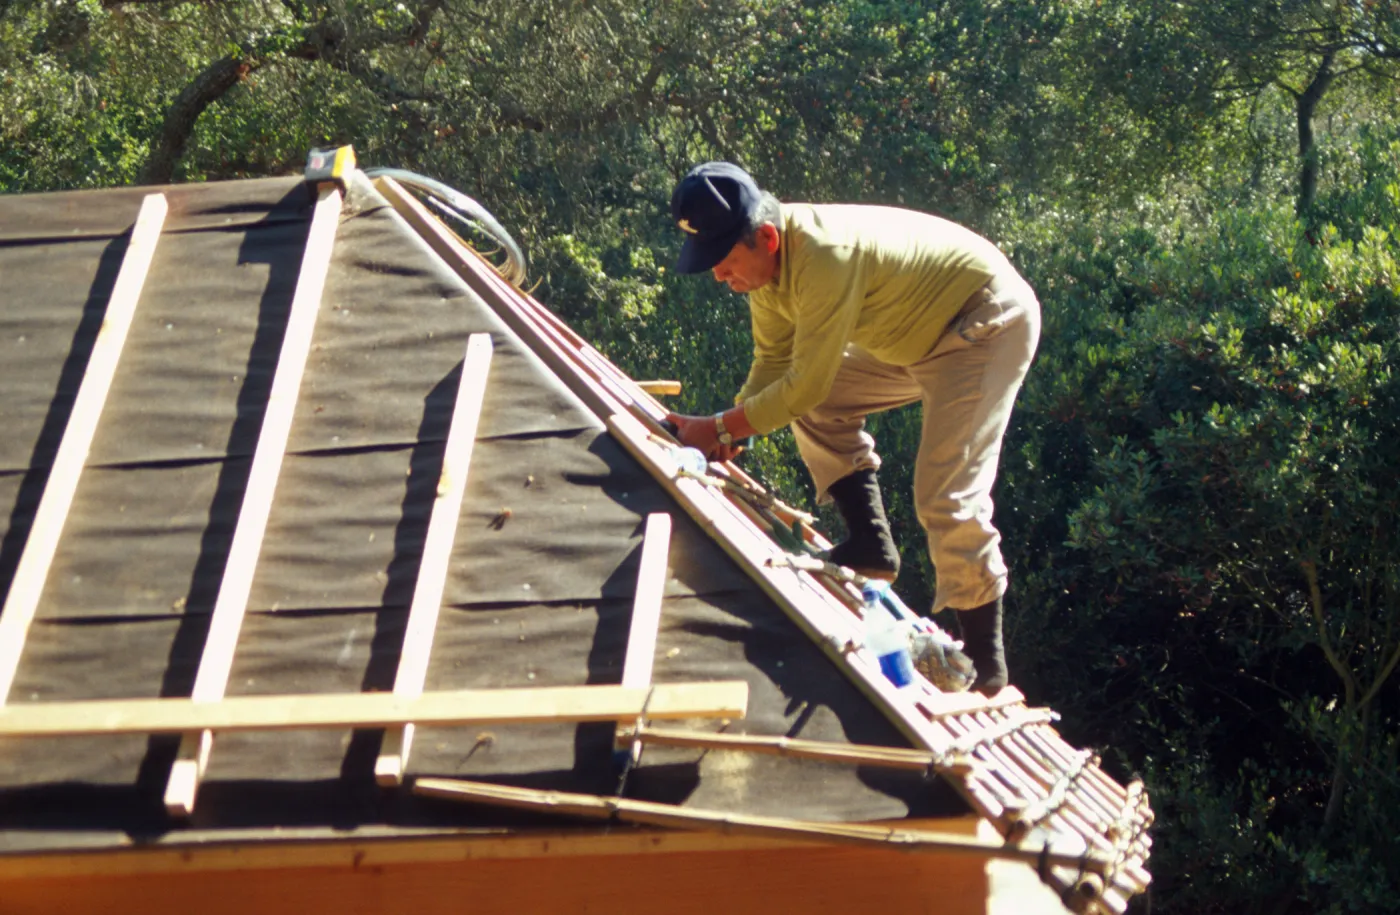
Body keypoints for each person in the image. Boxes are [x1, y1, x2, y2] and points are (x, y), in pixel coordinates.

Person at [663, 161, 1040, 696]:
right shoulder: (769, 272)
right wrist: (730, 432)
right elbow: (775, 361)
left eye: (724, 263)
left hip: (981, 326)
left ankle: (986, 662)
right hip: (914, 338)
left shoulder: (824, 255)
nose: (720, 279)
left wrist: (718, 426)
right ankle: (869, 545)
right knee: (812, 399)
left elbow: (804, 385)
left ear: (766, 237)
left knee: (945, 493)